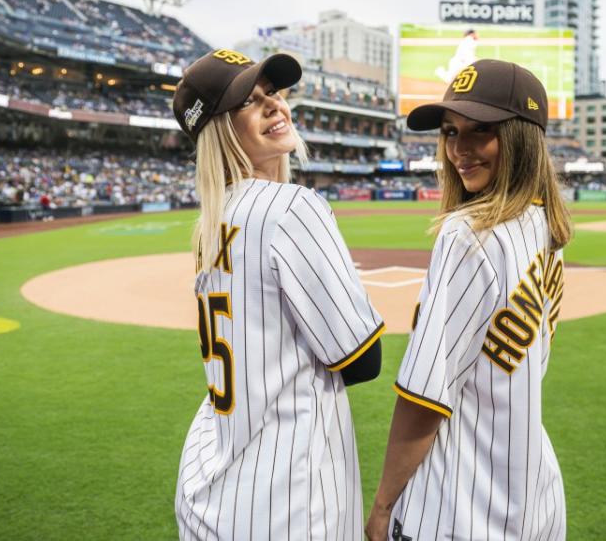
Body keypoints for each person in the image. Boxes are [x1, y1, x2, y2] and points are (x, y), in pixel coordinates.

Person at [171, 49, 385, 540]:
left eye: (275, 93)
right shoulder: (290, 208)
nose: (275, 106)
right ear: (221, 129)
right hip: (289, 503)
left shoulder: (212, 223)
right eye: (250, 101)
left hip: (214, 488)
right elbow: (362, 359)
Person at [366, 59, 572, 540]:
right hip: (532, 496)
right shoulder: (544, 228)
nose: (461, 149)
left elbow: (425, 399)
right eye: (451, 131)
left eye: (482, 130)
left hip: (456, 506)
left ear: (521, 138)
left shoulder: (468, 235)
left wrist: (381, 506)